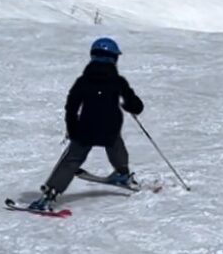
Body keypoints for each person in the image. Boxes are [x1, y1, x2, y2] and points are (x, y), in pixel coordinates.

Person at [29, 37, 144, 211]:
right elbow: (136, 106)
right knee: (115, 145)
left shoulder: (83, 81)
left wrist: (72, 128)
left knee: (72, 159)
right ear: (114, 58)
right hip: (110, 126)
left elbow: (71, 106)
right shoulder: (118, 81)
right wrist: (128, 105)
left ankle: (50, 195)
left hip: (86, 127)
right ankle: (122, 174)